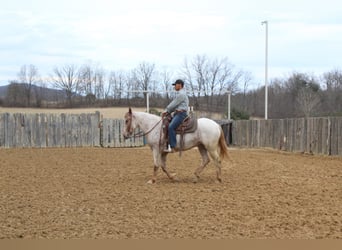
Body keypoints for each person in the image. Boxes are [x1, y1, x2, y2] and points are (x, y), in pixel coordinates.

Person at [162, 79, 189, 153]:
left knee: (171, 127)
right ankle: (166, 143)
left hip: (181, 114)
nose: (174, 87)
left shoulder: (181, 94)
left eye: (175, 85)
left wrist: (166, 111)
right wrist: (168, 112)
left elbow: (173, 104)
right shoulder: (180, 94)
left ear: (180, 85)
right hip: (177, 113)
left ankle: (173, 146)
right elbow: (175, 106)